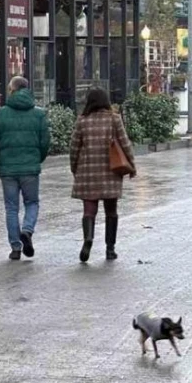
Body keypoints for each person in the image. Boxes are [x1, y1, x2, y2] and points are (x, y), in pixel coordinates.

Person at [0, 76, 50, 261]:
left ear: (12, 90)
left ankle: (15, 247)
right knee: (32, 203)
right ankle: (27, 230)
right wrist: (37, 159)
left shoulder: (0, 114)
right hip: (30, 167)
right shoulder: (39, 114)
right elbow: (45, 142)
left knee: (11, 207)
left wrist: (0, 162)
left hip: (8, 169)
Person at [70, 87, 135, 263]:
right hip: (111, 171)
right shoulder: (114, 119)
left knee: (89, 210)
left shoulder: (82, 121)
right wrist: (132, 165)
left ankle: (88, 239)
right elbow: (125, 143)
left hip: (87, 171)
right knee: (111, 211)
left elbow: (74, 147)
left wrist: (74, 167)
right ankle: (110, 249)